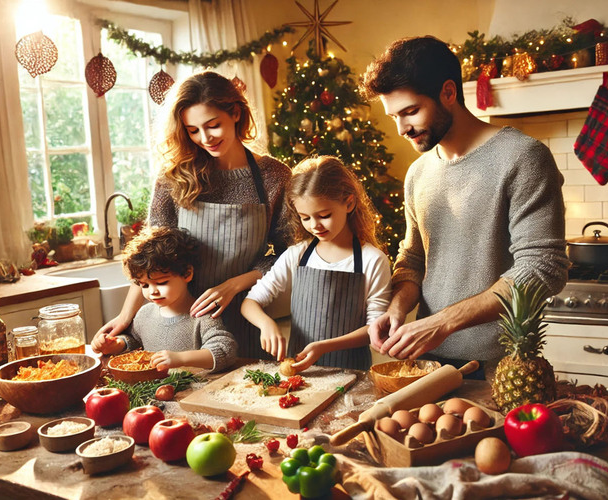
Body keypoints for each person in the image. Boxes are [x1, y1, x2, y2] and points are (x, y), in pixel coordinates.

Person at [358, 36, 569, 374]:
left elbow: (542, 267)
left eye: (411, 111)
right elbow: (412, 260)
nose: (402, 129)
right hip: (426, 362)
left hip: (501, 366)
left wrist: (442, 323)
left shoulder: (522, 157)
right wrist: (396, 308)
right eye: (393, 116)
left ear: (448, 93)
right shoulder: (418, 173)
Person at [95, 71, 291, 359]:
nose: (205, 138)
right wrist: (125, 317)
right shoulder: (174, 177)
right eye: (192, 130)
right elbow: (152, 257)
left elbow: (289, 255)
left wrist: (233, 285)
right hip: (183, 321)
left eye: (213, 125)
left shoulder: (274, 176)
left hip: (247, 313)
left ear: (235, 113)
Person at [242, 156, 392, 370]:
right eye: (305, 217)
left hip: (352, 373)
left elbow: (374, 328)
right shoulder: (297, 255)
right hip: (302, 375)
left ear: (349, 203)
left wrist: (325, 347)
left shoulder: (372, 260)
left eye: (324, 215)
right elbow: (250, 303)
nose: (315, 226)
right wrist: (266, 324)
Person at [91, 226, 237, 372]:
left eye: (161, 283)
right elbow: (135, 340)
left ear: (187, 274)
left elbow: (225, 350)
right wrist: (117, 344)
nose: (153, 292)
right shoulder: (144, 314)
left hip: (195, 389)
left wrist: (180, 359)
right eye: (144, 285)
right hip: (154, 389)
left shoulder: (202, 314)